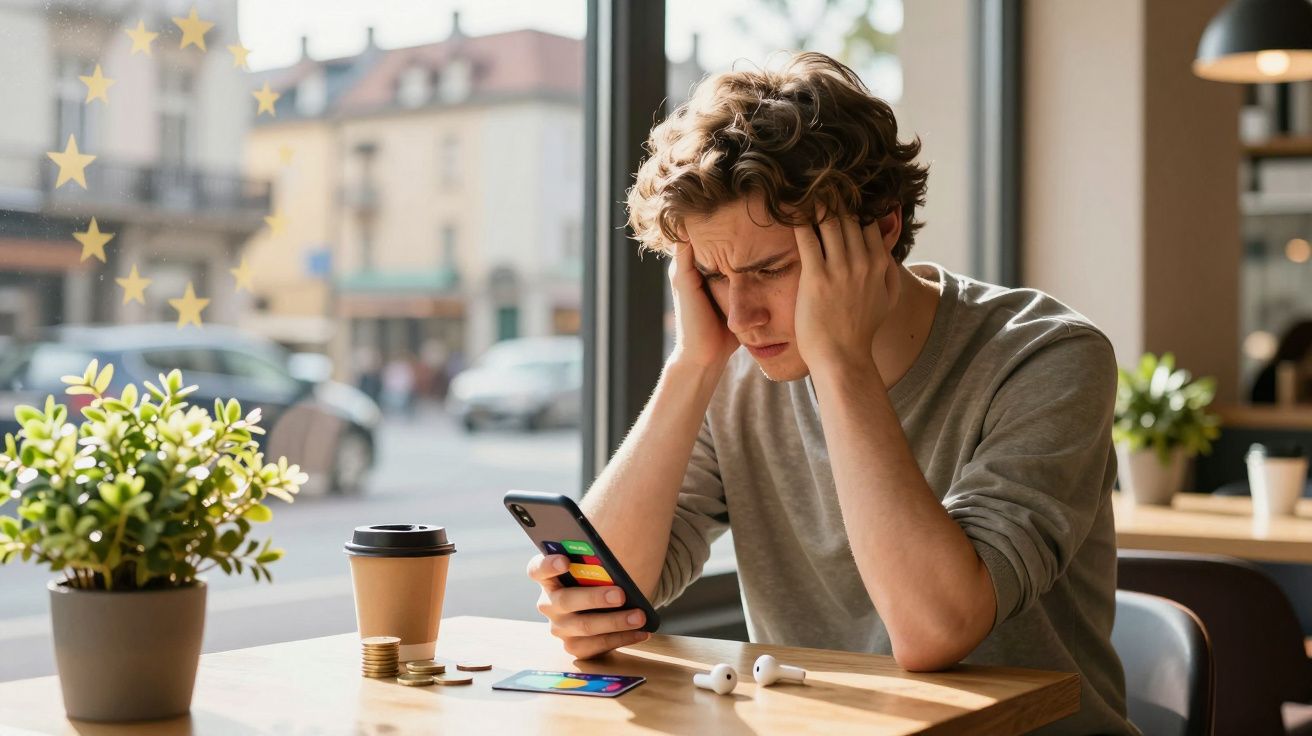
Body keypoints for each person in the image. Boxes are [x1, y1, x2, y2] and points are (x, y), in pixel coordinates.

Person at [526, 52, 1134, 734]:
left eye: (770, 269)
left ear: (880, 229)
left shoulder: (1046, 356)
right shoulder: (734, 364)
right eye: (716, 277)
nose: (740, 315)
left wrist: (842, 360)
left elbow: (934, 628)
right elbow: (610, 592)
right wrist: (692, 364)